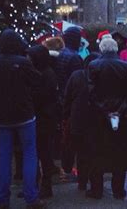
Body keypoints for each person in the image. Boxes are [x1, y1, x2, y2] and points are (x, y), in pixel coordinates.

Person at [0, 29, 45, 209]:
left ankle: (3, 199)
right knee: (29, 154)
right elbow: (38, 80)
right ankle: (31, 197)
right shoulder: (22, 62)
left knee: (4, 156)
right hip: (24, 114)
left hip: (2, 116)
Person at [86, 37, 127, 200]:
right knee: (119, 153)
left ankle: (97, 189)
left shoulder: (94, 66)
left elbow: (91, 94)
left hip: (99, 117)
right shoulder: (126, 67)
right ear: (116, 50)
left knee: (97, 152)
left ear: (101, 49)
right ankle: (118, 190)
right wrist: (119, 111)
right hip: (120, 117)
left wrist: (105, 111)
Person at [63, 52, 100, 192]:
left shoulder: (76, 75)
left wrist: (66, 116)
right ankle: (95, 182)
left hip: (78, 119)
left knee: (81, 152)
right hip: (95, 120)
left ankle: (82, 182)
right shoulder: (99, 76)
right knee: (94, 152)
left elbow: (68, 97)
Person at [27, 44, 59, 199]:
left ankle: (45, 186)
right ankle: (36, 185)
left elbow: (41, 97)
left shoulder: (45, 74)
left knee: (44, 154)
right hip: (43, 119)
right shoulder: (46, 72)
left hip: (44, 120)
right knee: (41, 154)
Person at [56, 26, 83, 180]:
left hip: (62, 98)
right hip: (72, 101)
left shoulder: (62, 55)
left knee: (66, 136)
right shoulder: (75, 58)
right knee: (73, 137)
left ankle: (66, 167)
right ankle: (71, 168)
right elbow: (77, 82)